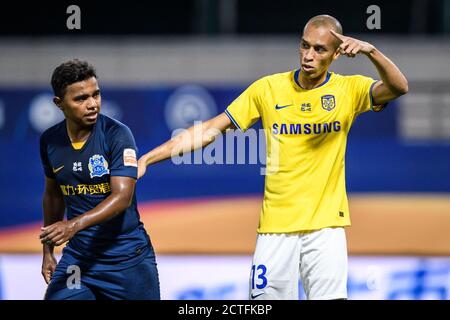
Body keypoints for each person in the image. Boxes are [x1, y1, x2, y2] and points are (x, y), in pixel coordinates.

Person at [137, 15, 408, 300]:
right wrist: (148, 159)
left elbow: (398, 87)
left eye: (319, 49)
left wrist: (370, 51)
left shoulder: (348, 90)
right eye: (305, 46)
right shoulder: (267, 89)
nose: (308, 56)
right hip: (275, 229)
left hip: (326, 228)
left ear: (337, 53)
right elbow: (209, 130)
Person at [39, 59, 160, 300]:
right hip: (79, 262)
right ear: (59, 103)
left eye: (96, 94)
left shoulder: (117, 135)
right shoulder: (49, 141)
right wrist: (48, 251)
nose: (93, 104)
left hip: (128, 261)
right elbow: (53, 195)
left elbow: (122, 197)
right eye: (81, 99)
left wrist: (73, 225)